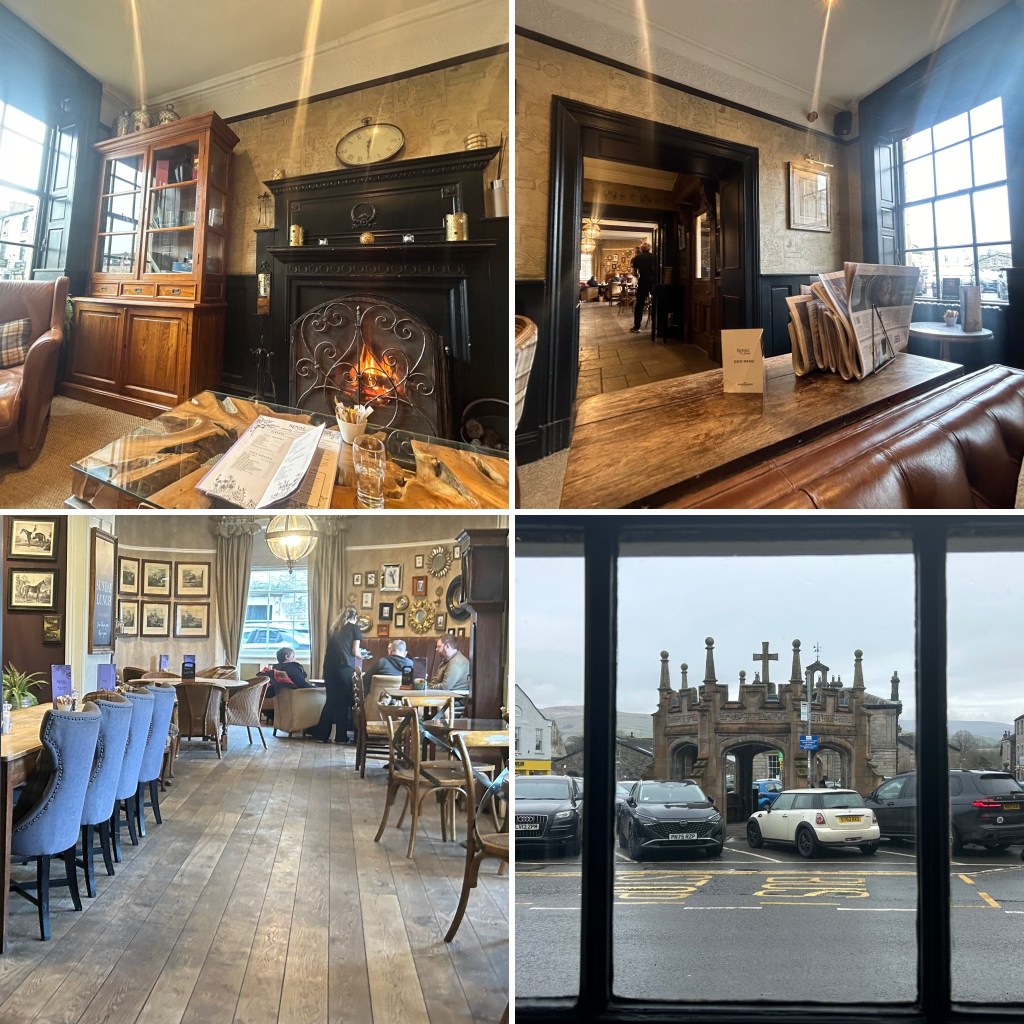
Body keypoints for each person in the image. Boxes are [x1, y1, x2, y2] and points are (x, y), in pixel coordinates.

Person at [309, 606, 361, 744]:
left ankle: (321, 735)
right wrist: (363, 655)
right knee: (343, 702)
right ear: (355, 617)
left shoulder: (334, 629)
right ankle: (341, 737)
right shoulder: (354, 628)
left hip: (329, 669)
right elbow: (355, 651)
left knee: (331, 701)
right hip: (345, 668)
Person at [630, 241, 658, 333]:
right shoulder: (655, 256)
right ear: (650, 248)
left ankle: (637, 327)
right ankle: (656, 325)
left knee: (639, 305)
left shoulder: (637, 258)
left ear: (641, 249)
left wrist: (639, 277)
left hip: (643, 281)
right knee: (656, 303)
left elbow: (634, 273)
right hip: (654, 281)